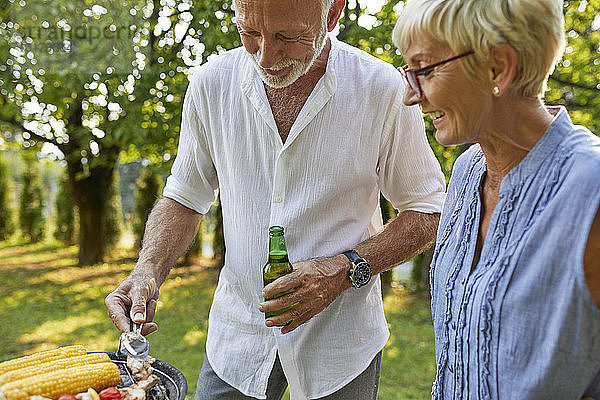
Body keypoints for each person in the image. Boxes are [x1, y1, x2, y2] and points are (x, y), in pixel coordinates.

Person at [105, 0, 446, 398]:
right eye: (250, 33)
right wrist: (147, 269)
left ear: (332, 14)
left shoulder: (382, 88)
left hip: (340, 344)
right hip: (237, 338)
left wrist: (345, 269)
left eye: (289, 36)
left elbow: (428, 209)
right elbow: (184, 197)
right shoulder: (210, 84)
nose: (266, 56)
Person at [392, 0, 600, 398]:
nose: (409, 96)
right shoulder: (469, 170)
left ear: (498, 68)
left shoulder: (590, 191)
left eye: (424, 69)